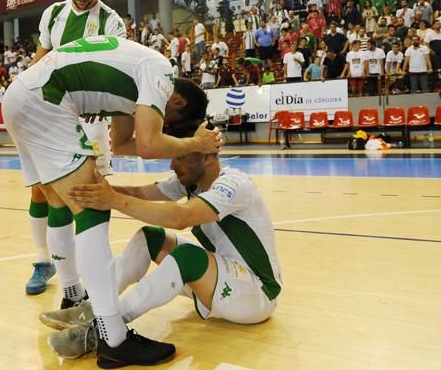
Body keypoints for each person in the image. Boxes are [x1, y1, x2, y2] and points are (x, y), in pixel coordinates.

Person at [1, 36, 220, 369]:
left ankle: (73, 294)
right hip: (46, 101)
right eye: (171, 123)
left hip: (21, 96)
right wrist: (196, 141)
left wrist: (175, 139)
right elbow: (148, 145)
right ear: (174, 101)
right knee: (92, 206)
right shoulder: (160, 70)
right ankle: (113, 338)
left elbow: (122, 144)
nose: (166, 127)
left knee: (61, 202)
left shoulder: (133, 84)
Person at [38, 120, 281, 355]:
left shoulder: (234, 185)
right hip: (222, 279)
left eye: (181, 156)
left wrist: (113, 200)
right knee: (151, 237)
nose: (173, 164)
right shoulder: (189, 182)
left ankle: (103, 328)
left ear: (207, 156)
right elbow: (140, 193)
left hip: (256, 293)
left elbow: (181, 218)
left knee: (187, 256)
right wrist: (92, 190)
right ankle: (91, 310)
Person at [25, 0, 126, 298]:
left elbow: (114, 72)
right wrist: (23, 93)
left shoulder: (112, 22)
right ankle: (45, 262)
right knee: (42, 190)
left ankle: (94, 276)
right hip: (50, 118)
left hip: (90, 120)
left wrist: (104, 104)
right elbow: (39, 62)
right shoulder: (52, 15)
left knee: (88, 197)